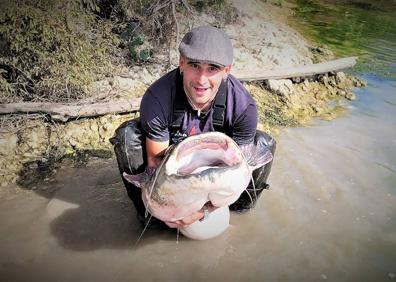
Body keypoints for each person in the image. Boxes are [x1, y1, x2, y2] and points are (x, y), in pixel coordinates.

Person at [111, 25, 276, 228]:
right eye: (194, 65)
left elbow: (241, 171)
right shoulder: (157, 99)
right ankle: (150, 217)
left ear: (226, 71)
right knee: (128, 136)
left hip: (220, 171)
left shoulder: (243, 107)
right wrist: (167, 210)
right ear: (181, 63)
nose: (201, 80)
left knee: (264, 144)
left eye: (212, 68)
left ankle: (240, 209)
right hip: (173, 164)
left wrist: (202, 211)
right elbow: (155, 165)